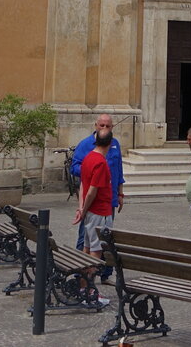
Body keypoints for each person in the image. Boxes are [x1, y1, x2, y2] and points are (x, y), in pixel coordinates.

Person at [70, 114, 125, 278]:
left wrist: (120, 193)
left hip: (110, 200)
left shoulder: (115, 144)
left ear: (112, 128)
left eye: (108, 126)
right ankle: (81, 275)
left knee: (106, 238)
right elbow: (75, 168)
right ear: (95, 126)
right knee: (87, 239)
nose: (104, 128)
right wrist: (95, 173)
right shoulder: (86, 145)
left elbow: (119, 169)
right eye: (102, 125)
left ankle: (105, 273)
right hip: (95, 204)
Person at [71, 129, 114, 307]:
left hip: (90, 212)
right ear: (110, 144)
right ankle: (90, 291)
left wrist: (81, 209)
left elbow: (82, 185)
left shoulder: (88, 158)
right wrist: (85, 208)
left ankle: (82, 288)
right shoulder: (101, 162)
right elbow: (92, 191)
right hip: (100, 212)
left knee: (87, 249)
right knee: (96, 254)